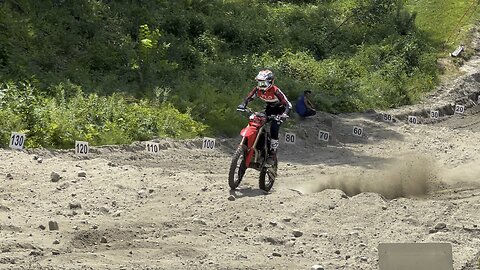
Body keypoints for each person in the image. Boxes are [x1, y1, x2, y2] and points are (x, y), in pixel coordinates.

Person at [237, 69, 292, 167]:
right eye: (259, 82)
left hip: (280, 111)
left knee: (274, 128)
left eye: (263, 83)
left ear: (270, 82)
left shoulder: (275, 91)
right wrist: (243, 105)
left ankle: (272, 153)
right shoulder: (257, 90)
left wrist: (284, 115)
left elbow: (288, 105)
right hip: (268, 109)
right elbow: (249, 98)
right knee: (256, 120)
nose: (261, 86)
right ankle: (254, 145)